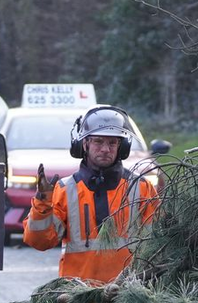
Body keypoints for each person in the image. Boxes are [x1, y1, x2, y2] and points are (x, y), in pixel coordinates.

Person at [25, 104, 160, 284]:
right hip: (77, 297)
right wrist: (42, 202)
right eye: (98, 141)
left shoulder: (141, 188)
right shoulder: (66, 189)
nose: (105, 149)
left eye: (112, 143)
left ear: (122, 147)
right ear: (84, 144)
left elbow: (159, 244)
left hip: (128, 296)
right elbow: (40, 242)